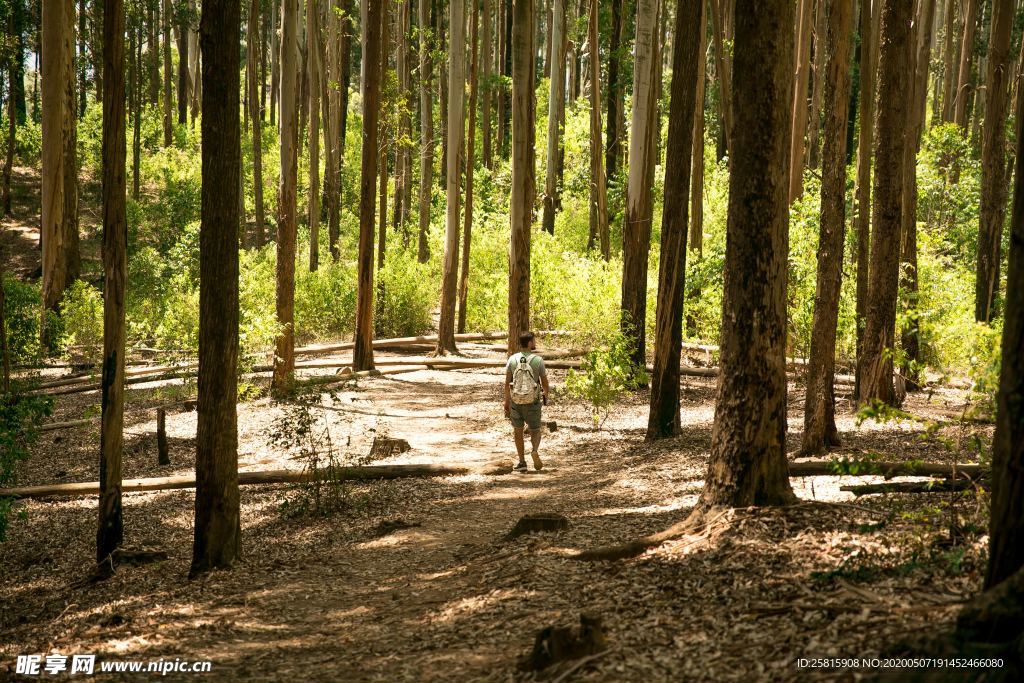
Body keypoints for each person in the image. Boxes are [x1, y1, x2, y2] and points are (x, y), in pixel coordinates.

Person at [504, 331, 550, 472]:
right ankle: (534, 450)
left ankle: (522, 462)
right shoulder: (538, 360)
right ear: (530, 343)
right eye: (534, 341)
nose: (535, 343)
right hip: (533, 402)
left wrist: (507, 402)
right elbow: (545, 382)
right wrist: (545, 396)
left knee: (518, 431)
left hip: (516, 401)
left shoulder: (512, 359)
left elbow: (507, 383)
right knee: (535, 430)